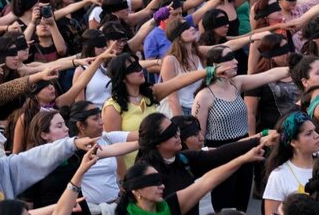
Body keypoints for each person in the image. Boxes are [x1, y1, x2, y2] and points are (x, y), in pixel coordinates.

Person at [192, 45, 290, 212]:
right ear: (215, 65)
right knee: (224, 205)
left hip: (245, 148)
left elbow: (269, 75)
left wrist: (302, 65)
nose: (236, 61)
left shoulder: (237, 83)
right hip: (221, 153)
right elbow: (197, 137)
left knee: (242, 203)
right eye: (229, 59)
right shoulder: (205, 96)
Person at [103, 52, 231, 168]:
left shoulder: (150, 94)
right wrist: (121, 179)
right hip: (135, 170)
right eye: (133, 69)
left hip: (161, 165)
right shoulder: (113, 107)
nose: (139, 70)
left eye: (138, 65)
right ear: (122, 77)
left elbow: (178, 81)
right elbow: (114, 147)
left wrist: (210, 71)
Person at [116, 142, 264, 215]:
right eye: (153, 182)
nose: (161, 186)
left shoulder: (171, 205)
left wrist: (243, 159)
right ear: (136, 190)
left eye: (160, 180)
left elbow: (208, 180)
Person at [263, 112, 319, 215]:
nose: (317, 136)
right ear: (293, 142)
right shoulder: (279, 176)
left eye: (315, 131)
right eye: (309, 133)